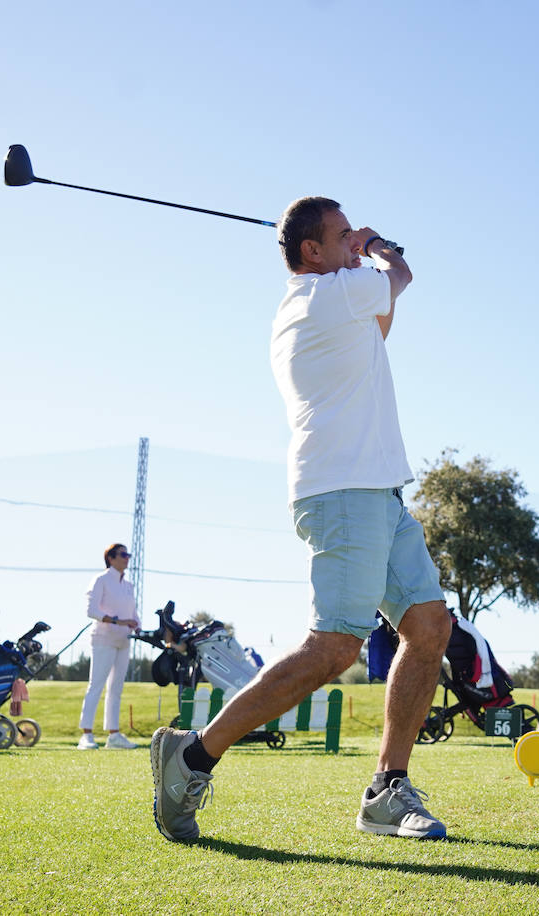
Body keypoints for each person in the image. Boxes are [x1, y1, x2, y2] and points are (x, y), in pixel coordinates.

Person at [150, 197, 453, 843]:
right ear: (313, 251)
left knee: (429, 626)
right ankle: (193, 755)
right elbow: (399, 277)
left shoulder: (334, 303)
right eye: (342, 235)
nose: (353, 241)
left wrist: (362, 252)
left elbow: (383, 317)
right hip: (342, 493)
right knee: (335, 647)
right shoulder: (324, 297)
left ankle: (386, 790)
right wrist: (380, 246)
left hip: (378, 492)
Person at [78, 542, 140, 750]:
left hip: (124, 642)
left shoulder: (129, 586)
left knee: (116, 689)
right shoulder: (101, 580)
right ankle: (86, 735)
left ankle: (113, 735)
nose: (127, 558)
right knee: (96, 685)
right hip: (103, 639)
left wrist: (136, 624)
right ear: (111, 558)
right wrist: (117, 621)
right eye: (123, 554)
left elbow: (132, 613)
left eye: (128, 554)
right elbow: (91, 610)